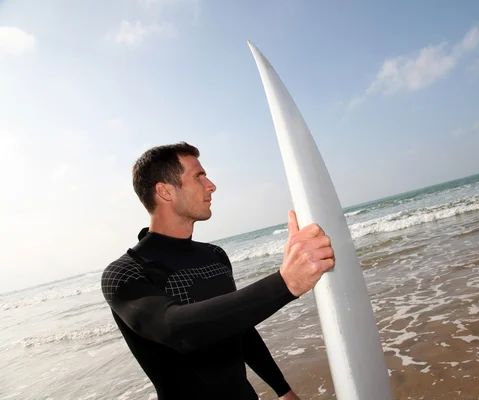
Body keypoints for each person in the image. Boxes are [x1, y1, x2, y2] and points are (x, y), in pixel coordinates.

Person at [100, 142, 335, 400]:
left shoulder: (214, 256)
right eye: (198, 177)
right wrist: (286, 283)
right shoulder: (126, 273)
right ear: (165, 191)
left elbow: (240, 330)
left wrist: (283, 390)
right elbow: (177, 329)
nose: (211, 185)